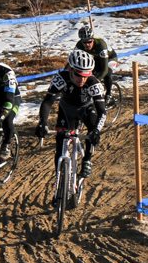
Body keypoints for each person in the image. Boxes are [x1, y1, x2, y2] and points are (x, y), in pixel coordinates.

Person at [35, 48, 105, 181]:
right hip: (66, 110)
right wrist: (42, 122)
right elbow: (47, 102)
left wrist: (96, 130)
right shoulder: (61, 78)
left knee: (92, 129)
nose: (82, 79)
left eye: (86, 75)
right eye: (79, 75)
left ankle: (87, 160)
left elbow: (102, 112)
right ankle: (60, 179)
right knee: (60, 143)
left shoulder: (94, 83)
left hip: (86, 109)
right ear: (71, 70)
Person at [74, 25, 118, 97]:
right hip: (97, 58)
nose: (87, 44)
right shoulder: (79, 45)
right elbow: (74, 60)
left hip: (110, 58)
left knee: (107, 73)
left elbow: (104, 70)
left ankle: (109, 94)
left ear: (93, 39)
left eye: (89, 41)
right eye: (84, 42)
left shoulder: (101, 45)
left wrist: (96, 80)